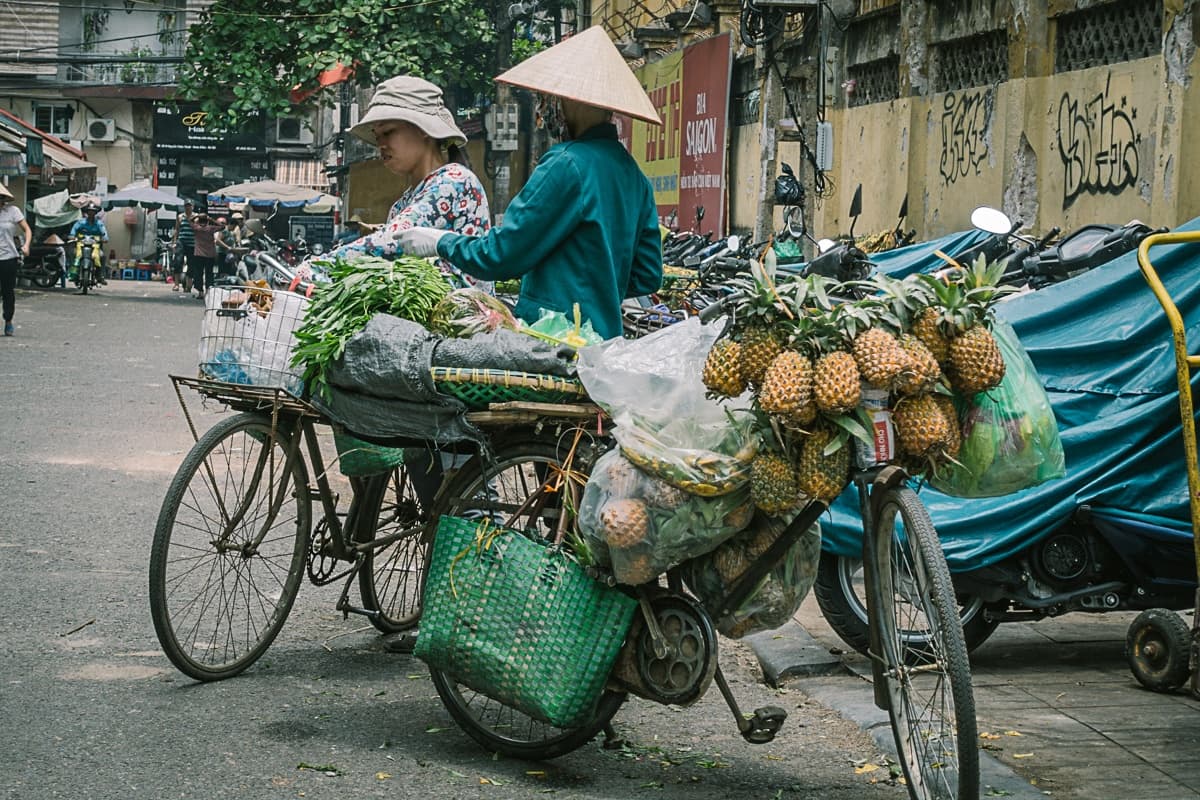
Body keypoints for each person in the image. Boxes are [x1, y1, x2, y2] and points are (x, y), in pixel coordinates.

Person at [395, 27, 664, 340]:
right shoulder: (634, 175)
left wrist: (440, 241)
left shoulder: (567, 163)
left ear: (572, 101)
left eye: (548, 98)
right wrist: (596, 284)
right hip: (603, 341)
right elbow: (647, 276)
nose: (542, 108)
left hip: (554, 340)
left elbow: (502, 255)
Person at [328, 75, 491, 290]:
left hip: (462, 316)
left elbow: (390, 241)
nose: (382, 145)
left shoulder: (454, 181)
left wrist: (321, 265)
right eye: (378, 137)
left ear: (423, 129)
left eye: (388, 132)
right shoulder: (403, 202)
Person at [0, 183, 31, 336]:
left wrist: (26, 245)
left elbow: (27, 229)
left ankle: (8, 320)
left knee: (7, 291)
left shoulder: (12, 211)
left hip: (8, 257)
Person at [68, 204, 109, 288]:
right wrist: (72, 236)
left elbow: (104, 234)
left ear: (95, 213)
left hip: (95, 247)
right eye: (90, 211)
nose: (91, 213)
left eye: (93, 212)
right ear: (87, 212)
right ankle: (73, 273)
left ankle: (100, 276)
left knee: (101, 256)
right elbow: (73, 231)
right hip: (81, 245)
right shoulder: (80, 222)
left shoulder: (99, 223)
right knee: (73, 253)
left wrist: (104, 238)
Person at [188, 207, 222, 299]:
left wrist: (196, 216)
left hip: (198, 254)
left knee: (198, 273)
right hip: (210, 254)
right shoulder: (210, 228)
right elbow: (222, 226)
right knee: (209, 273)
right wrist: (211, 219)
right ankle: (208, 291)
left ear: (199, 220)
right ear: (206, 221)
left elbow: (189, 221)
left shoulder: (196, 228)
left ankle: (200, 292)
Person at [215, 210, 248, 278]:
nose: (234, 228)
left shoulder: (231, 232)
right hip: (222, 254)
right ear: (230, 224)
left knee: (228, 271)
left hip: (228, 255)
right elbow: (217, 241)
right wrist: (227, 247)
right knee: (222, 271)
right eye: (234, 226)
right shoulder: (224, 231)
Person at [172, 201, 195, 292]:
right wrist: (174, 242)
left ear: (192, 207)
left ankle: (189, 285)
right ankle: (176, 284)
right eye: (186, 206)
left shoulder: (196, 217)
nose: (187, 208)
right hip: (181, 242)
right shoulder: (180, 216)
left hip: (192, 243)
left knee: (191, 264)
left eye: (189, 206)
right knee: (178, 262)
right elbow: (177, 230)